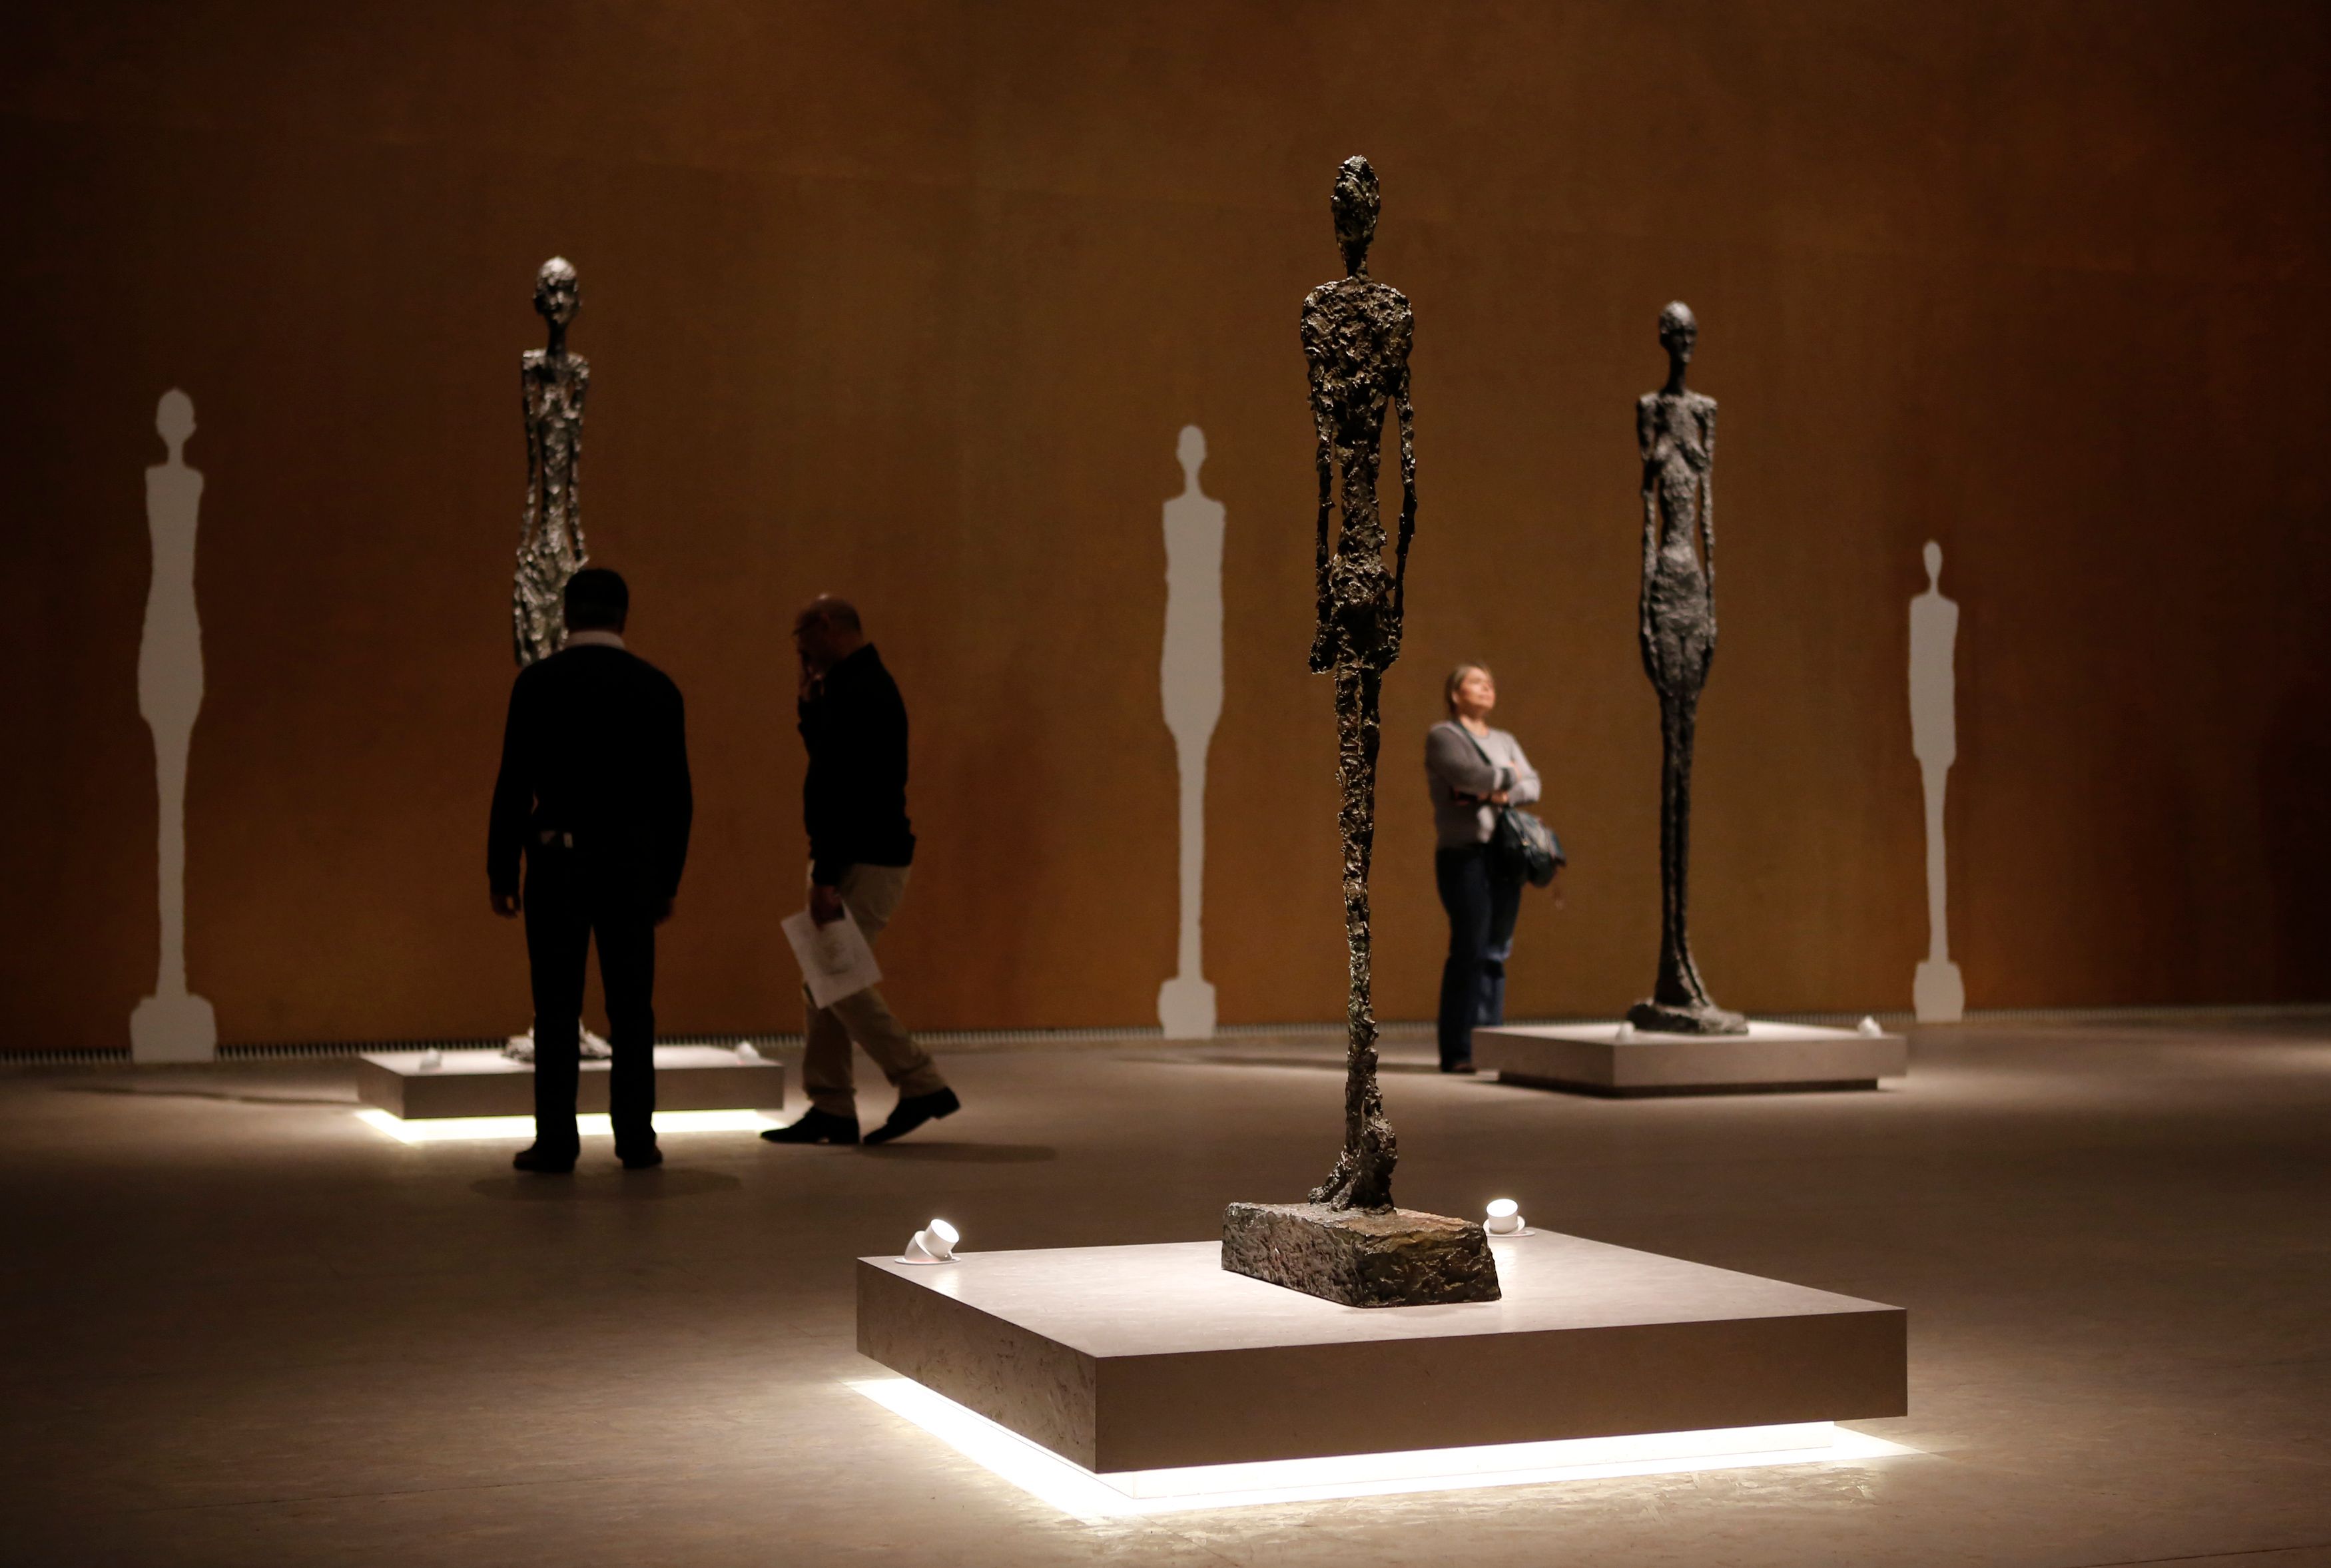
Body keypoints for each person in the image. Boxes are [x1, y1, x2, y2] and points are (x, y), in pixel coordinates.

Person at [488, 569, 692, 1172]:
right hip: (631, 867)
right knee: (632, 1007)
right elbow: (676, 797)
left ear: (566, 613)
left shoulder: (537, 684)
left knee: (555, 1005)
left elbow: (514, 783)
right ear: (624, 615)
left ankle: (556, 1140)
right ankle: (636, 1137)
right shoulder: (657, 688)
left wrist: (502, 870)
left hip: (557, 863)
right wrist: (667, 879)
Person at [763, 596, 960, 1147]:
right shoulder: (851, 685)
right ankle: (831, 1106)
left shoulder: (863, 689)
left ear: (825, 626)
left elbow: (845, 789)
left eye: (801, 636)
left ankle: (920, 1080)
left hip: (863, 855)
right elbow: (828, 761)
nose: (799, 651)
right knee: (824, 979)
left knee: (837, 979)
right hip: (855, 851)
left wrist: (826, 874)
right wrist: (809, 706)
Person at [1425, 663, 1543, 1073]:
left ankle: (1490, 1046)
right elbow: (1467, 776)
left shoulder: (1505, 739)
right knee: (1470, 948)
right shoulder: (1444, 736)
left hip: (1503, 855)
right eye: (1476, 682)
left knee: (1496, 951)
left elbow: (1534, 785)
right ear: (1455, 694)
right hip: (1464, 855)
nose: (1486, 688)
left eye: (1490, 683)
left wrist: (1498, 792)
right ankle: (1458, 1050)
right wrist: (1510, 776)